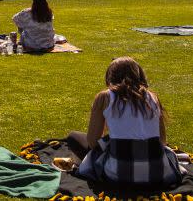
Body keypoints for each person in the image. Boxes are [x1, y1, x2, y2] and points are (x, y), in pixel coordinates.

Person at [68, 57, 182, 189]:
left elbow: (93, 142)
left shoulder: (104, 97)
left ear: (110, 77)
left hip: (117, 175)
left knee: (73, 137)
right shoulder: (153, 97)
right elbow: (162, 142)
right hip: (158, 173)